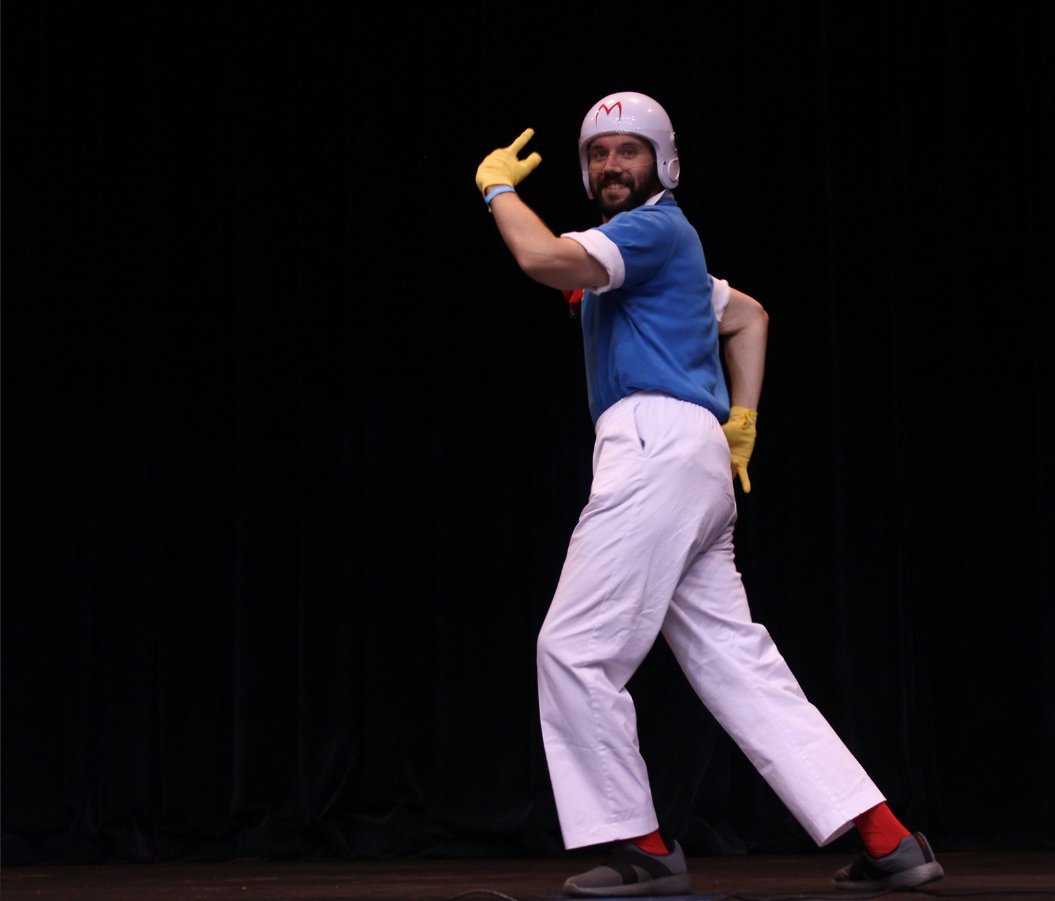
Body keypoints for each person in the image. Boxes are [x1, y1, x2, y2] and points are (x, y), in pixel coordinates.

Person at [474, 91, 945, 898]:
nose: (610, 164)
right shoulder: (664, 252)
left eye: (628, 150)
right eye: (596, 153)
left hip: (653, 445)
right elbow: (749, 315)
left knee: (574, 647)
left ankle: (642, 848)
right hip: (689, 458)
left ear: (663, 160)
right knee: (737, 664)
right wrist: (740, 421)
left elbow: (544, 259)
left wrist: (495, 190)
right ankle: (889, 838)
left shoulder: (651, 230)